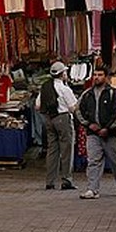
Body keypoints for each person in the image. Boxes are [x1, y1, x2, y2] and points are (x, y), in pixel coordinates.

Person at [76, 67, 116, 199]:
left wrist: (109, 128)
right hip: (92, 134)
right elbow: (78, 111)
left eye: (100, 75)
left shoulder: (114, 93)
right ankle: (92, 189)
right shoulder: (87, 94)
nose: (96, 77)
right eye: (94, 75)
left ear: (106, 77)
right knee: (93, 161)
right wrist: (89, 125)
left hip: (110, 134)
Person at [37, 61, 78, 190]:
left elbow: (37, 106)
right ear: (62, 74)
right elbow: (72, 108)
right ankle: (67, 179)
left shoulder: (45, 87)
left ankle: (50, 181)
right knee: (66, 150)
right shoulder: (64, 89)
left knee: (52, 150)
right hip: (63, 118)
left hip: (49, 119)